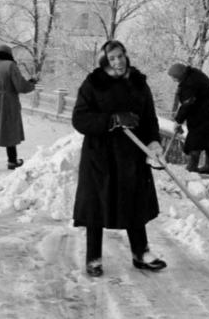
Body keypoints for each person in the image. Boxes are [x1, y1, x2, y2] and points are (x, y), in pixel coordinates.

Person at [72, 40, 166, 278]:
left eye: (120, 56)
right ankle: (93, 258)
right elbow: (80, 120)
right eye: (112, 58)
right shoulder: (93, 84)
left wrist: (153, 143)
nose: (118, 61)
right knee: (96, 205)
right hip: (100, 155)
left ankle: (141, 253)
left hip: (132, 154)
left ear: (126, 56)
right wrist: (112, 120)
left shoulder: (138, 83)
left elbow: (150, 119)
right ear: (105, 61)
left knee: (134, 201)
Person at [167, 63, 209, 175]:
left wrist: (178, 121)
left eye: (174, 78)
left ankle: (192, 168)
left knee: (196, 141)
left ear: (179, 75)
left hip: (205, 114)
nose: (174, 80)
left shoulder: (190, 82)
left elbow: (187, 104)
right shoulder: (193, 75)